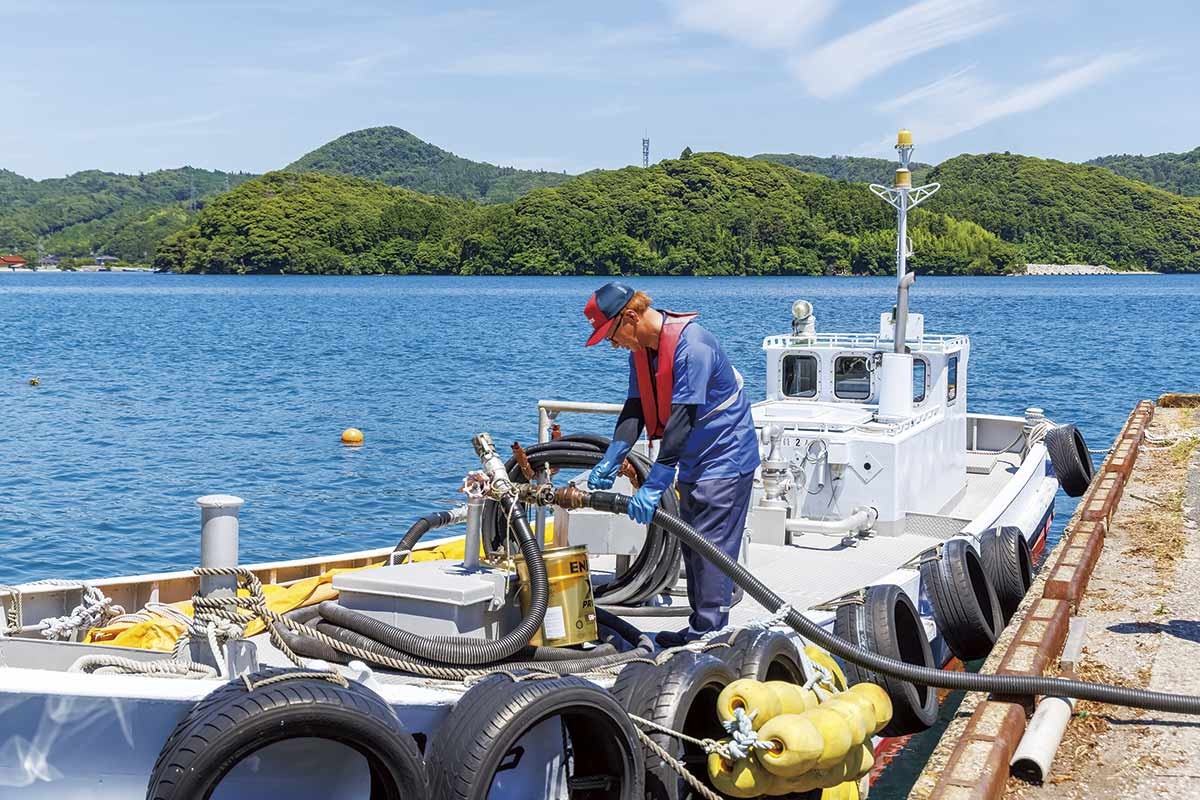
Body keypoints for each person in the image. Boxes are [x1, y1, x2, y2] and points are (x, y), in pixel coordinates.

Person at [582, 281, 760, 647]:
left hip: (725, 456)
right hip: (694, 458)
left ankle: (710, 636)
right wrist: (613, 455)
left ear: (630, 316)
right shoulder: (642, 350)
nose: (613, 345)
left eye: (612, 335)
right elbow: (636, 407)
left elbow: (682, 417)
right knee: (692, 544)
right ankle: (701, 627)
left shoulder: (691, 346)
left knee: (711, 546)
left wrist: (654, 483)